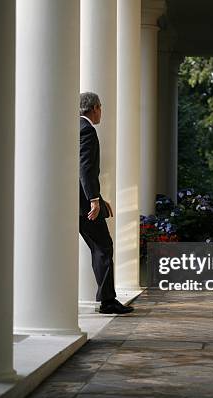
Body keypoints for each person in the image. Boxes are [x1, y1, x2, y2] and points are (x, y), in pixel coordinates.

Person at [79, 92, 134, 314]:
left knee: (99, 248)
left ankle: (107, 299)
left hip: (80, 201)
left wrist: (100, 199)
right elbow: (84, 169)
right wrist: (93, 200)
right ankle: (107, 302)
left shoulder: (72, 127)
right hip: (84, 204)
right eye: (101, 107)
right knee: (104, 247)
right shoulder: (87, 130)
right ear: (94, 108)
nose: (101, 112)